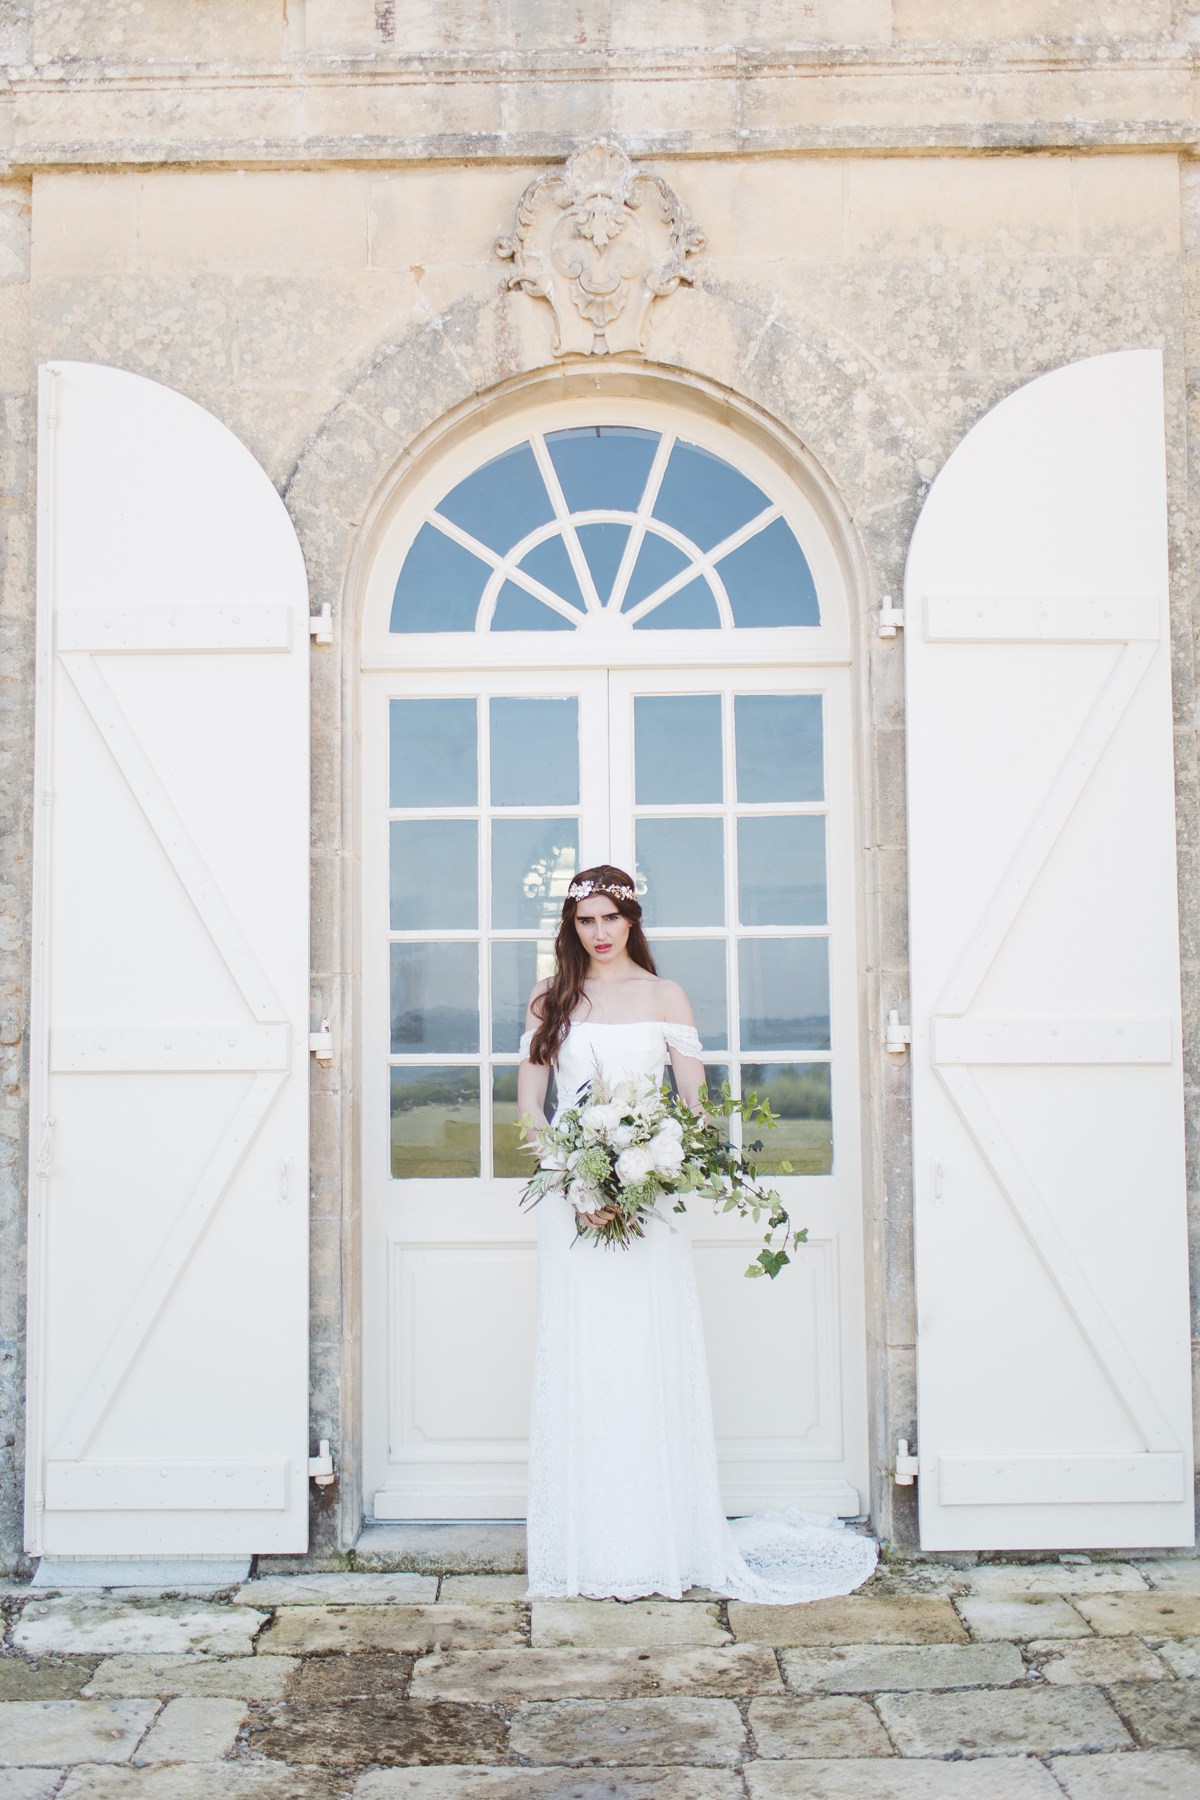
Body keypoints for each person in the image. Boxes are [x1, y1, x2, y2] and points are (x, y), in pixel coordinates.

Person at [517, 863, 877, 1602]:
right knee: (584, 1357)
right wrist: (578, 1183)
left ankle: (664, 1542)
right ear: (571, 927)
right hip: (574, 1207)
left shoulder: (665, 996)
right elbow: (531, 1112)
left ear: (632, 919)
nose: (600, 933)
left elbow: (695, 1111)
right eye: (585, 921)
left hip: (651, 1209)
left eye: (611, 918)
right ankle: (586, 1549)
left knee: (649, 1354)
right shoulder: (551, 1000)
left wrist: (650, 1174)